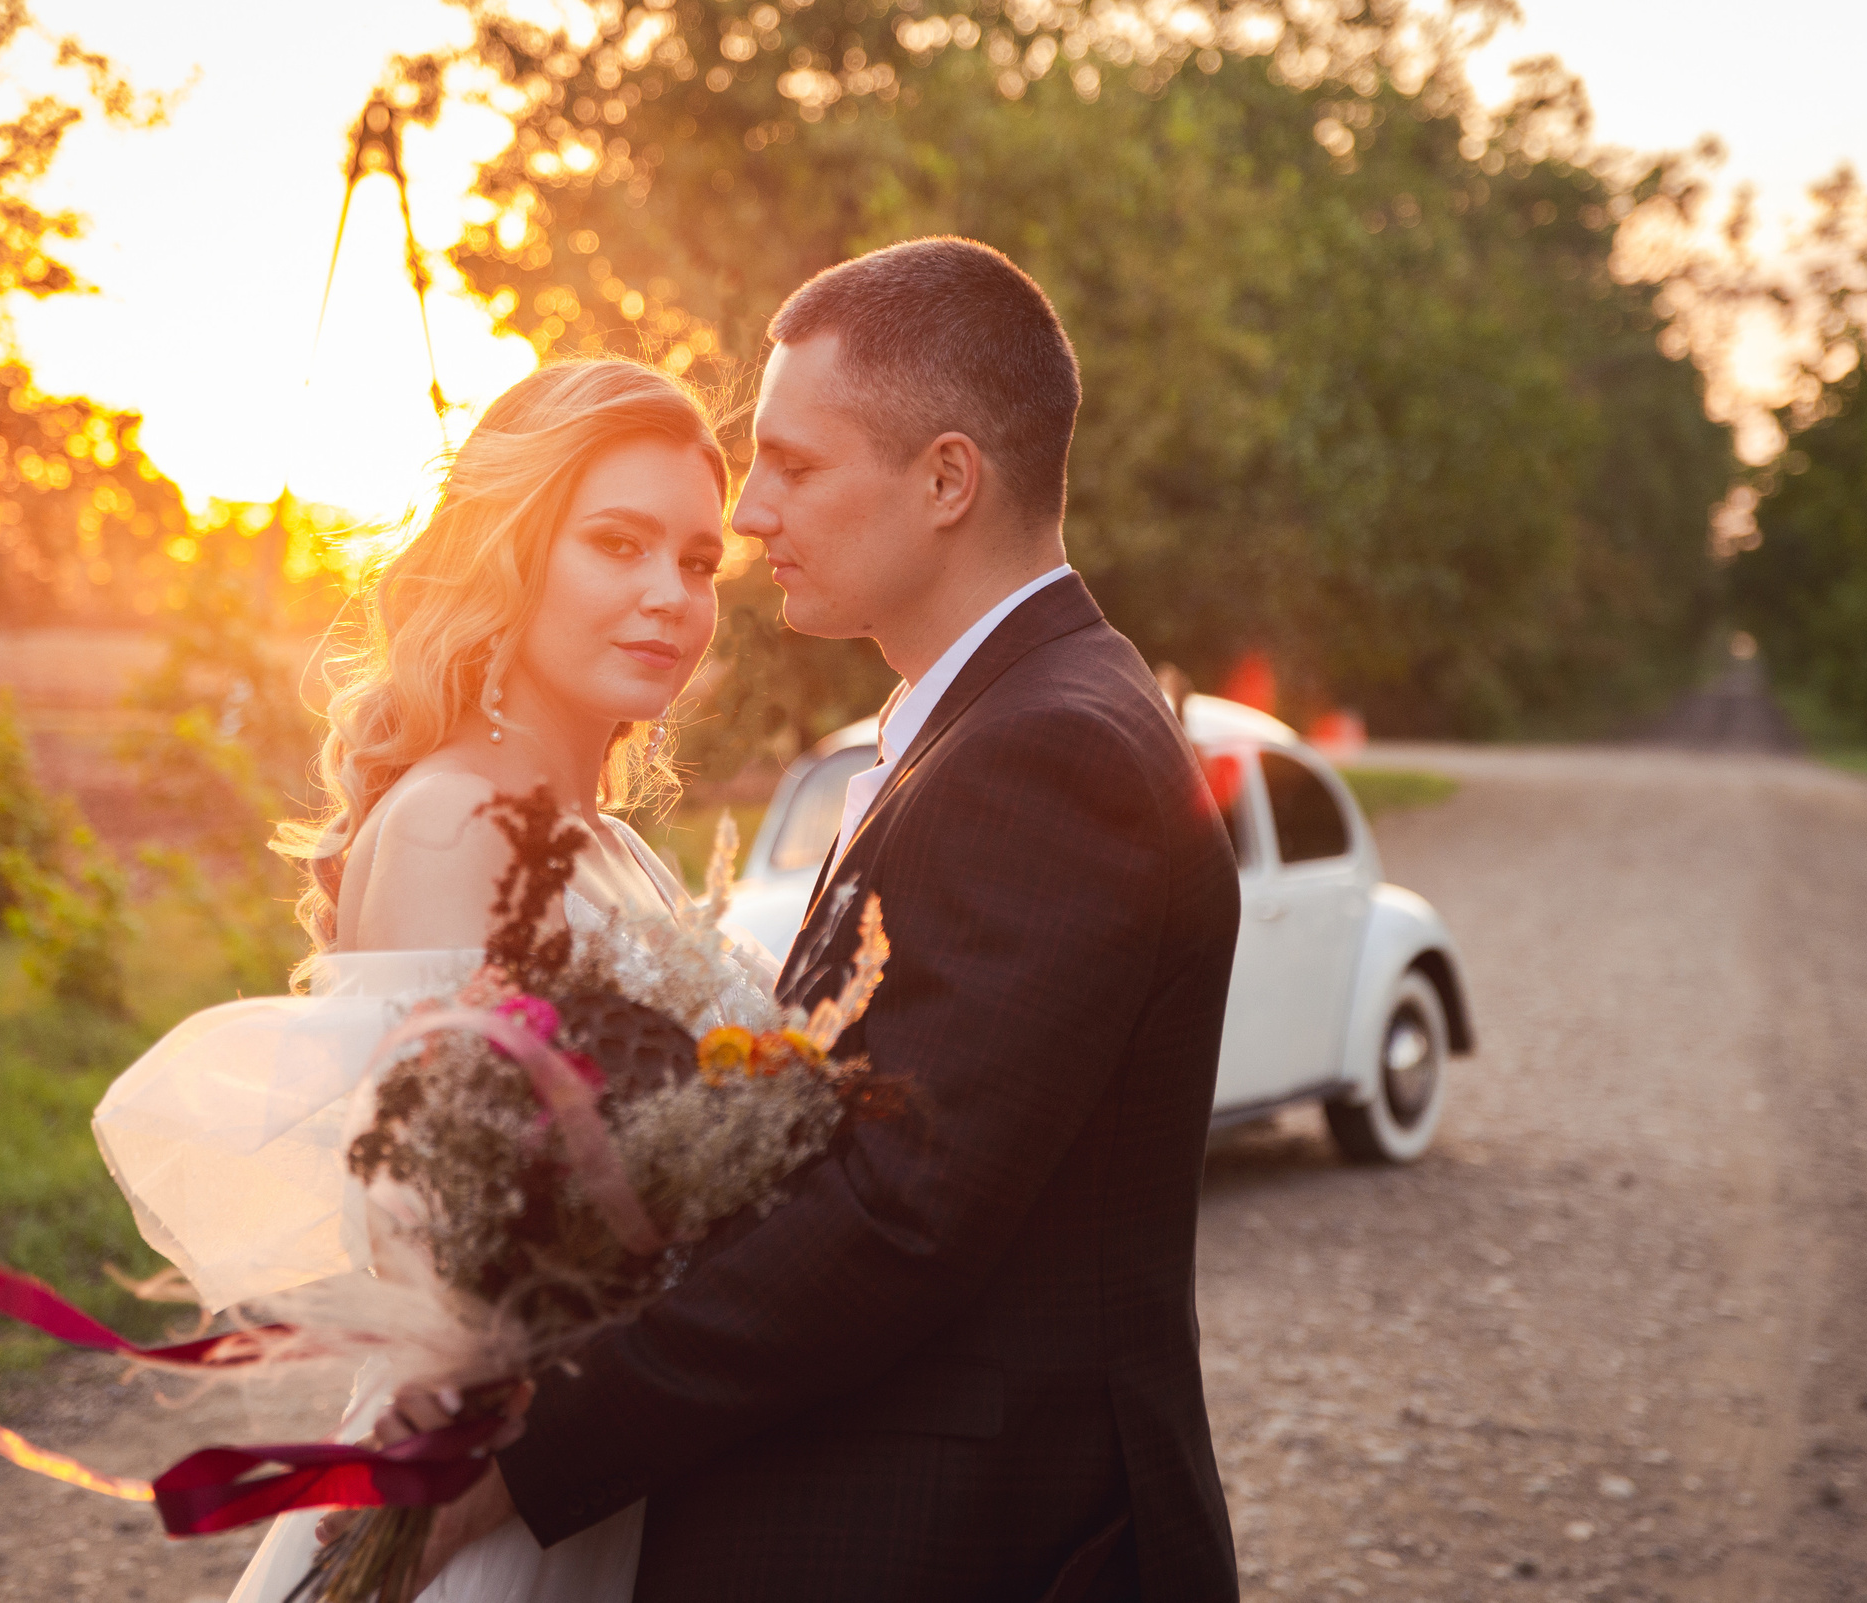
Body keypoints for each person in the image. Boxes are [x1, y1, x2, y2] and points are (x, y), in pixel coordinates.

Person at [388, 237, 1245, 1600]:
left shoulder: (1047, 750)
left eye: (792, 464)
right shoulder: (984, 727)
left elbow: (899, 1210)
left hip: (982, 1540)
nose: (749, 518)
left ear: (948, 479)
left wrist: (523, 1455)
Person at [95, 355, 750, 1603]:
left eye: (700, 561)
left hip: (616, 1476)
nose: (668, 594)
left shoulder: (605, 845)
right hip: (492, 1503)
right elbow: (449, 1244)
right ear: (511, 554)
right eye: (618, 543)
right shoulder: (456, 820)